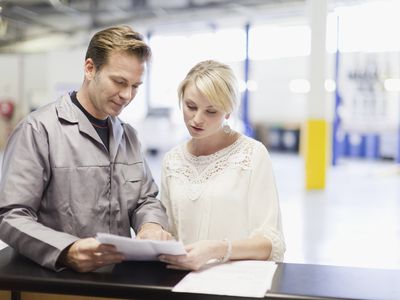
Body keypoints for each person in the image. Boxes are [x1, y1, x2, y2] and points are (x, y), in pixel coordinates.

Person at [0, 25, 171, 272]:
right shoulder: (39, 130)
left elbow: (145, 199)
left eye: (135, 86)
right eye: (119, 81)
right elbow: (10, 216)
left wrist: (151, 225)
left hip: (119, 280)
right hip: (58, 283)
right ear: (90, 68)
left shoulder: (128, 135)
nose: (127, 95)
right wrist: (67, 250)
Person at [159, 60, 285, 271]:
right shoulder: (172, 160)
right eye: (190, 106)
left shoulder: (252, 155)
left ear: (228, 112)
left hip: (234, 282)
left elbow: (271, 242)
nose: (197, 119)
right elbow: (168, 231)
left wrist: (218, 249)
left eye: (211, 111)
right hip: (181, 282)